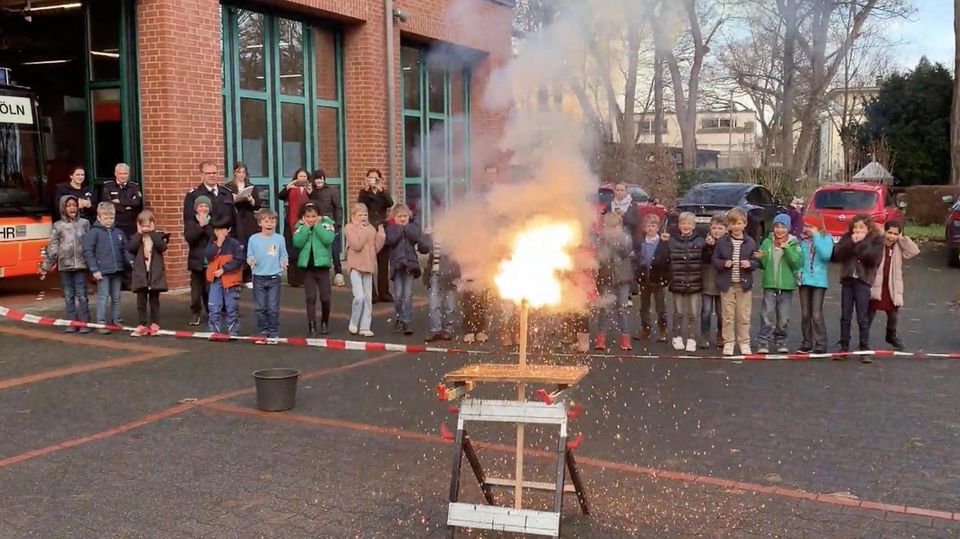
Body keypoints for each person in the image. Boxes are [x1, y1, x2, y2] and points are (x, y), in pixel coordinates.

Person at [833, 214, 884, 360]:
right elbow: (837, 254)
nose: (857, 230)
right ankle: (844, 346)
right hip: (848, 280)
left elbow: (873, 260)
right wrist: (851, 244)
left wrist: (861, 244)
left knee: (862, 316)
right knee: (845, 315)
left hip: (863, 281)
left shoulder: (876, 239)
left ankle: (864, 346)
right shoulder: (847, 238)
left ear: (868, 228)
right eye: (855, 227)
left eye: (861, 227)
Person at [39, 195, 91, 333]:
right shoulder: (58, 226)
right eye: (68, 206)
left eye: (74, 205)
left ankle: (85, 322)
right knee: (68, 295)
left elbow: (91, 245)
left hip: (81, 264)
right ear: (63, 208)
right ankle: (71, 322)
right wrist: (46, 266)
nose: (72, 208)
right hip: (65, 266)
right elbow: (52, 248)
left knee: (82, 295)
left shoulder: (85, 223)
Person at [713, 207, 760, 356]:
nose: (736, 227)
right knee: (727, 316)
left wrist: (750, 264)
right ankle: (728, 343)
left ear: (744, 224)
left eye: (739, 223)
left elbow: (757, 261)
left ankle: (744, 342)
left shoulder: (750, 242)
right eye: (733, 224)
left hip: (744, 285)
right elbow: (714, 260)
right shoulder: (722, 242)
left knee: (743, 315)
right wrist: (722, 264)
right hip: (727, 285)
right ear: (729, 225)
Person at [754, 213, 803, 354]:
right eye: (777, 226)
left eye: (783, 227)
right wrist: (760, 258)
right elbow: (764, 264)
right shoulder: (767, 242)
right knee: (766, 314)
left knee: (783, 317)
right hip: (770, 284)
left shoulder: (794, 243)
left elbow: (796, 262)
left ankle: (781, 340)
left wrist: (786, 248)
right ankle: (764, 341)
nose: (780, 230)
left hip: (786, 286)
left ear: (788, 228)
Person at [869, 220, 919, 351]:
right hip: (876, 283)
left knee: (893, 313)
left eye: (895, 234)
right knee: (870, 311)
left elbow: (914, 251)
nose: (891, 236)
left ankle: (891, 334)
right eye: (889, 233)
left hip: (892, 283)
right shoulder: (878, 243)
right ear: (884, 232)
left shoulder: (899, 245)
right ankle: (864, 338)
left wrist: (902, 239)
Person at [83, 202, 132, 335]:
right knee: (103, 297)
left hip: (117, 269)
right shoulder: (94, 233)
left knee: (116, 297)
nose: (109, 221)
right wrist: (94, 268)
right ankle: (101, 322)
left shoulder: (118, 232)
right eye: (106, 218)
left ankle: (117, 319)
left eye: (111, 218)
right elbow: (88, 251)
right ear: (99, 218)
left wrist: (131, 262)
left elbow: (124, 250)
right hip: (102, 271)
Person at [292, 202, 336, 336]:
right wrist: (305, 227)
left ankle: (325, 321)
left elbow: (328, 239)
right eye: (308, 216)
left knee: (325, 297)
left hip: (322, 267)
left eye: (313, 216)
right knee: (310, 298)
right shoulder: (300, 226)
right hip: (308, 268)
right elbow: (297, 242)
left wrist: (317, 226)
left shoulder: (325, 224)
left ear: (319, 216)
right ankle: (312, 325)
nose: (311, 219)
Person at [344, 202, 386, 337]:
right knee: (359, 296)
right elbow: (356, 245)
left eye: (365, 214)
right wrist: (362, 230)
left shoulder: (371, 229)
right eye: (360, 215)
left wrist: (381, 234)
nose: (363, 217)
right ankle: (354, 322)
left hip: (368, 266)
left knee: (368, 298)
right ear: (353, 216)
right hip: (355, 266)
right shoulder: (349, 228)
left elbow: (375, 247)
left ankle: (365, 326)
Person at [247, 208, 288, 344]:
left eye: (272, 220)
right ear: (260, 223)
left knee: (272, 307)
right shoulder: (253, 239)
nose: (269, 223)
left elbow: (283, 254)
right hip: (258, 277)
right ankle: (263, 331)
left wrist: (284, 261)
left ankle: (273, 332)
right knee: (260, 307)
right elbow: (250, 254)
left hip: (274, 277)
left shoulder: (279, 239)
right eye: (266, 221)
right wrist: (250, 260)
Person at [594, 212, 634, 351]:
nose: (613, 229)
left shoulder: (626, 238)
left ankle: (625, 338)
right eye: (610, 226)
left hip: (623, 278)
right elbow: (598, 257)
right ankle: (600, 339)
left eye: (616, 226)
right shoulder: (600, 239)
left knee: (622, 309)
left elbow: (625, 252)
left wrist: (616, 242)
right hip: (606, 278)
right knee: (605, 309)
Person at [667, 212, 706, 352]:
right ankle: (677, 337)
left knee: (693, 313)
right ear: (679, 225)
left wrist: (711, 245)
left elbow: (706, 257)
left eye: (689, 223)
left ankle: (691, 338)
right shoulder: (672, 240)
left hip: (695, 281)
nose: (686, 226)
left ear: (694, 226)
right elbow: (666, 259)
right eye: (683, 223)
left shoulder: (700, 241)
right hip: (677, 281)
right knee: (679, 312)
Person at [127, 211, 169, 337]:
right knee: (141, 301)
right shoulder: (137, 238)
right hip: (141, 273)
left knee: (154, 300)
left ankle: (155, 323)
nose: (146, 228)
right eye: (143, 225)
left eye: (148, 225)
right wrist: (139, 234)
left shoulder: (158, 236)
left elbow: (162, 247)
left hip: (154, 273)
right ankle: (142, 324)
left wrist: (153, 232)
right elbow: (131, 248)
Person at [797, 212, 834, 353]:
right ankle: (807, 342)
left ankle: (820, 343)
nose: (807, 229)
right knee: (805, 313)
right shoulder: (801, 240)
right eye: (805, 226)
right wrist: (798, 271)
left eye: (810, 226)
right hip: (805, 280)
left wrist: (816, 236)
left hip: (819, 281)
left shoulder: (825, 238)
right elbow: (799, 258)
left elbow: (826, 255)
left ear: (818, 227)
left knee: (816, 313)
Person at [384, 205, 421, 335]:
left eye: (405, 216)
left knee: (408, 294)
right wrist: (400, 228)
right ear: (394, 217)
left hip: (410, 264)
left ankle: (407, 320)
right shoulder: (391, 228)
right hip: (397, 264)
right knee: (398, 295)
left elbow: (415, 238)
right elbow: (391, 240)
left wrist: (408, 227)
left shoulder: (412, 227)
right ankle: (399, 316)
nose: (403, 219)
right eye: (399, 216)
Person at [358, 168, 394, 303]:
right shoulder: (364, 193)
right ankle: (372, 294)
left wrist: (381, 190)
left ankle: (384, 292)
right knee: (369, 263)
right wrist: (367, 191)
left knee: (383, 263)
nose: (373, 180)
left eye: (375, 178)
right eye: (370, 177)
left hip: (381, 229)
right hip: (368, 229)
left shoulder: (382, 192)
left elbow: (390, 203)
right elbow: (360, 206)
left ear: (379, 179)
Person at [633, 213, 670, 343]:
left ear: (658, 227)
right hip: (644, 279)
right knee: (644, 307)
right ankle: (646, 328)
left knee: (660, 307)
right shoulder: (640, 242)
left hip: (658, 279)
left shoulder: (663, 242)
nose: (651, 228)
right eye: (648, 226)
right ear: (644, 228)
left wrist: (666, 278)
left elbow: (667, 262)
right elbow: (637, 259)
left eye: (653, 225)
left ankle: (662, 330)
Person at [419, 229, 461, 342]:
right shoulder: (431, 237)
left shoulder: (453, 237)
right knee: (434, 305)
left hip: (449, 275)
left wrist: (456, 276)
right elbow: (422, 248)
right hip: (434, 275)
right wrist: (426, 236)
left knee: (449, 306)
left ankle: (448, 330)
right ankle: (435, 330)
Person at [206, 217, 245, 337]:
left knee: (231, 307)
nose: (219, 233)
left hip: (231, 281)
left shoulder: (234, 244)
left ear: (228, 230)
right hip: (215, 280)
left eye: (222, 229)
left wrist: (224, 269)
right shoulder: (212, 243)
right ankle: (214, 331)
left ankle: (233, 331)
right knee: (213, 306)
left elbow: (239, 259)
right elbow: (208, 255)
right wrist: (218, 244)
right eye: (216, 230)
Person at [225, 162, 260, 288]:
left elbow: (257, 205)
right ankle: (236, 277)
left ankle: (248, 276)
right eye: (239, 172)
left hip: (248, 220)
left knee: (249, 247)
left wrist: (251, 199)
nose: (241, 175)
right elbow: (225, 203)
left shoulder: (251, 186)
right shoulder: (228, 187)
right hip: (235, 218)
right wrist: (234, 199)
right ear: (234, 172)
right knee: (237, 248)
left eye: (243, 172)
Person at [183, 161, 238, 239]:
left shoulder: (226, 193)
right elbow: (189, 221)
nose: (212, 175)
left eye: (214, 173)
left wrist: (239, 241)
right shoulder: (193, 195)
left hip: (226, 241)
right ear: (202, 175)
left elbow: (235, 219)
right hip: (205, 241)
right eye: (208, 173)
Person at [309, 169, 345, 286]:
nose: (319, 181)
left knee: (335, 251)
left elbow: (338, 208)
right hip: (317, 225)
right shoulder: (312, 193)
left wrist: (337, 224)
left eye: (321, 178)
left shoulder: (331, 192)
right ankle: (325, 275)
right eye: (317, 178)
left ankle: (339, 274)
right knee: (322, 252)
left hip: (331, 225)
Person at [278, 168, 312, 288]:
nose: (302, 179)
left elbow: (315, 203)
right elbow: (280, 196)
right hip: (290, 223)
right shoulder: (291, 188)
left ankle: (303, 278)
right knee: (291, 250)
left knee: (303, 251)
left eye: (304, 177)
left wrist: (311, 192)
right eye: (300, 176)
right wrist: (288, 186)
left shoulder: (309, 190)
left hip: (305, 223)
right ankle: (293, 279)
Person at [184, 195, 213, 326]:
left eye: (206, 206)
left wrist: (206, 226)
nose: (203, 208)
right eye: (201, 206)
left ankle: (211, 312)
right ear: (196, 209)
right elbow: (190, 238)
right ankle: (195, 312)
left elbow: (213, 238)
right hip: (196, 263)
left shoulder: (213, 222)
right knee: (196, 292)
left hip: (210, 263)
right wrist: (200, 226)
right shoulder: (191, 223)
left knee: (208, 290)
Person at [700, 213, 727, 349]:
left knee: (722, 313)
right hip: (708, 281)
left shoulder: (728, 243)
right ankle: (704, 335)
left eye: (720, 228)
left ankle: (721, 335)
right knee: (706, 311)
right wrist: (708, 247)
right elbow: (703, 260)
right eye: (714, 228)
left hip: (722, 283)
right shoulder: (705, 243)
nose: (717, 231)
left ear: (726, 230)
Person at [99, 163, 143, 238]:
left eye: (125, 174)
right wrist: (126, 207)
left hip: (130, 223)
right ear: (115, 173)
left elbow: (137, 202)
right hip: (116, 221)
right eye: (120, 174)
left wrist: (120, 201)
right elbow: (107, 203)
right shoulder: (108, 186)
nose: (123, 176)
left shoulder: (134, 186)